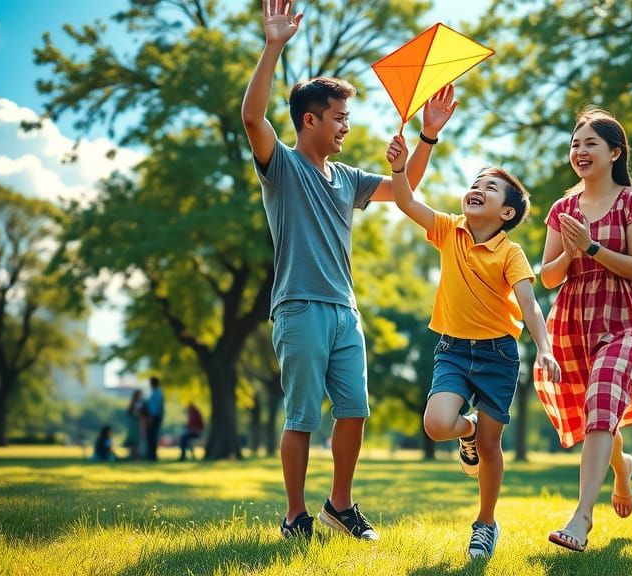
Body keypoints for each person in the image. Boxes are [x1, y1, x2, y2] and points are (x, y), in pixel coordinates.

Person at [240, 0, 455, 541]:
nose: (345, 128)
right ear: (309, 119)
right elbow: (252, 117)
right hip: (299, 308)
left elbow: (403, 191)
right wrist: (274, 46)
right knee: (303, 418)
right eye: (339, 119)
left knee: (355, 412)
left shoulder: (346, 178)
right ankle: (295, 515)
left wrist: (424, 141)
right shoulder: (281, 167)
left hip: (345, 312)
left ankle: (340, 505)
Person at [385, 134, 561, 559]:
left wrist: (545, 348)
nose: (477, 188)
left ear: (506, 212)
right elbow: (406, 203)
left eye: (491, 186)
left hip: (498, 355)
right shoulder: (449, 229)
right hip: (452, 350)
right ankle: (466, 433)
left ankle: (485, 523)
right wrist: (397, 169)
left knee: (490, 446)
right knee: (437, 425)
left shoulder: (511, 253)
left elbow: (530, 306)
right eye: (476, 182)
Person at [536, 107, 632, 552]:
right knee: (596, 411)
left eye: (590, 144)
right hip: (573, 320)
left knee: (602, 399)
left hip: (624, 319)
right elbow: (548, 276)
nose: (579, 151)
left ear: (615, 152)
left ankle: (581, 517)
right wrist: (570, 253)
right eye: (574, 144)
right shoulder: (562, 208)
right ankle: (621, 467)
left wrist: (591, 245)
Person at [144, 377, 165, 461]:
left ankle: (152, 456)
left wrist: (151, 418)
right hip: (155, 417)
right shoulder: (157, 392)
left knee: (152, 436)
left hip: (153, 417)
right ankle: (152, 455)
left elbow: (154, 408)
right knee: (152, 436)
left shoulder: (156, 393)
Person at [124, 389, 145, 460]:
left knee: (137, 441)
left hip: (137, 424)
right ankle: (133, 456)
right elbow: (133, 414)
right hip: (134, 425)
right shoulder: (134, 404)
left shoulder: (141, 403)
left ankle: (136, 456)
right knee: (134, 440)